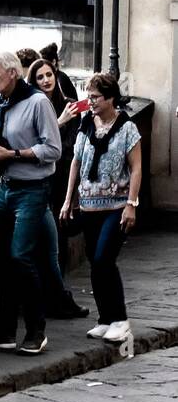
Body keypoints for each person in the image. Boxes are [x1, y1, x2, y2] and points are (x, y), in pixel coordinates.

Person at [0, 51, 62, 356]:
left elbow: (53, 150)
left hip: (33, 190)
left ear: (12, 73)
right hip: (5, 188)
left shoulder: (38, 103)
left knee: (21, 257)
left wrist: (12, 155)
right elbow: (4, 136)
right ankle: (5, 330)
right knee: (2, 260)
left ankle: (37, 331)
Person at [60, 73, 143, 345]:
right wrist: (68, 198)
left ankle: (120, 320)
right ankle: (105, 319)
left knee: (105, 258)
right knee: (95, 263)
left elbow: (136, 167)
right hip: (87, 206)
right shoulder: (87, 123)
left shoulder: (127, 128)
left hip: (116, 206)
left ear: (110, 98)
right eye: (89, 96)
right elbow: (76, 161)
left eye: (95, 97)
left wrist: (131, 204)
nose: (90, 101)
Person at [28, 57, 90, 318]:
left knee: (59, 239)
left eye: (49, 75)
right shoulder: (31, 107)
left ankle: (58, 298)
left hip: (62, 180)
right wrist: (59, 122)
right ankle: (44, 298)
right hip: (39, 181)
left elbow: (68, 149)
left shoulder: (68, 106)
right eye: (40, 77)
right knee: (39, 242)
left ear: (56, 76)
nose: (46, 80)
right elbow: (35, 145)